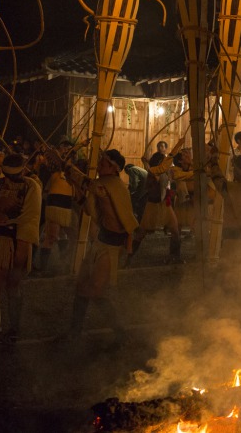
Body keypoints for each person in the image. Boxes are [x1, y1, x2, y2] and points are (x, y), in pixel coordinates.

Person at [62, 148, 139, 345]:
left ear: (114, 169)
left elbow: (90, 186)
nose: (100, 166)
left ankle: (119, 332)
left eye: (104, 164)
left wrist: (69, 169)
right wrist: (75, 183)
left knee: (94, 290)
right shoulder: (103, 185)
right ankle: (75, 333)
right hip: (101, 242)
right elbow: (89, 206)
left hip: (111, 247)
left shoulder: (113, 186)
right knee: (82, 287)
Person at [0, 152, 41, 357]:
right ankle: (10, 333)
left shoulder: (23, 185)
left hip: (5, 240)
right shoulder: (30, 185)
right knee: (11, 288)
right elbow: (31, 214)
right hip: (17, 240)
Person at [37, 142, 80, 275]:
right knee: (51, 236)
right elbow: (63, 161)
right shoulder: (56, 167)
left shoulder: (72, 171)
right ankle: (42, 267)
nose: (66, 152)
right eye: (64, 150)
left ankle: (65, 261)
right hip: (56, 202)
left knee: (74, 236)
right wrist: (79, 146)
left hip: (67, 203)